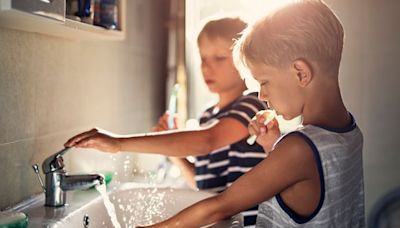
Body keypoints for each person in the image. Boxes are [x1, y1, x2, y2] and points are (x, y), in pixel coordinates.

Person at [133, 0, 365, 227]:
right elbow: (306, 188)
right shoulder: (349, 131)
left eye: (264, 81)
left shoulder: (299, 148)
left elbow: (220, 206)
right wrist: (273, 148)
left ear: (301, 73)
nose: (262, 95)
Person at [65, 16, 268, 227]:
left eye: (219, 58)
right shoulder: (208, 116)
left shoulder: (252, 104)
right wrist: (174, 151)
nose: (207, 67)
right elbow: (201, 182)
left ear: (244, 61)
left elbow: (208, 140)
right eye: (203, 58)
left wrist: (118, 143)